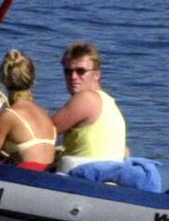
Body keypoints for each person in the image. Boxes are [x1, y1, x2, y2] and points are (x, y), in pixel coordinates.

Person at [51, 41, 129, 173]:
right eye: (68, 71)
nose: (73, 77)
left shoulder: (86, 99)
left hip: (84, 181)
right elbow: (126, 151)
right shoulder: (110, 103)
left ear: (97, 74)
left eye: (81, 71)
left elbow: (43, 133)